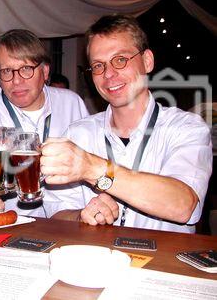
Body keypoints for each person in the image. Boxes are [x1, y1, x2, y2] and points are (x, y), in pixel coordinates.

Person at [41, 14, 212, 233]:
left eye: (120, 59)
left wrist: (91, 168)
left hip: (161, 263)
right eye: (98, 66)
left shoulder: (186, 127)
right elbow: (56, 213)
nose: (109, 74)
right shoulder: (78, 133)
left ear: (147, 61)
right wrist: (82, 216)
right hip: (97, 259)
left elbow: (183, 206)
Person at [0, 29, 89, 218]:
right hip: (12, 221)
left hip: (70, 217)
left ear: (45, 71)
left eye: (26, 69)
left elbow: (90, 161)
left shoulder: (72, 103)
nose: (16, 80)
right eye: (6, 71)